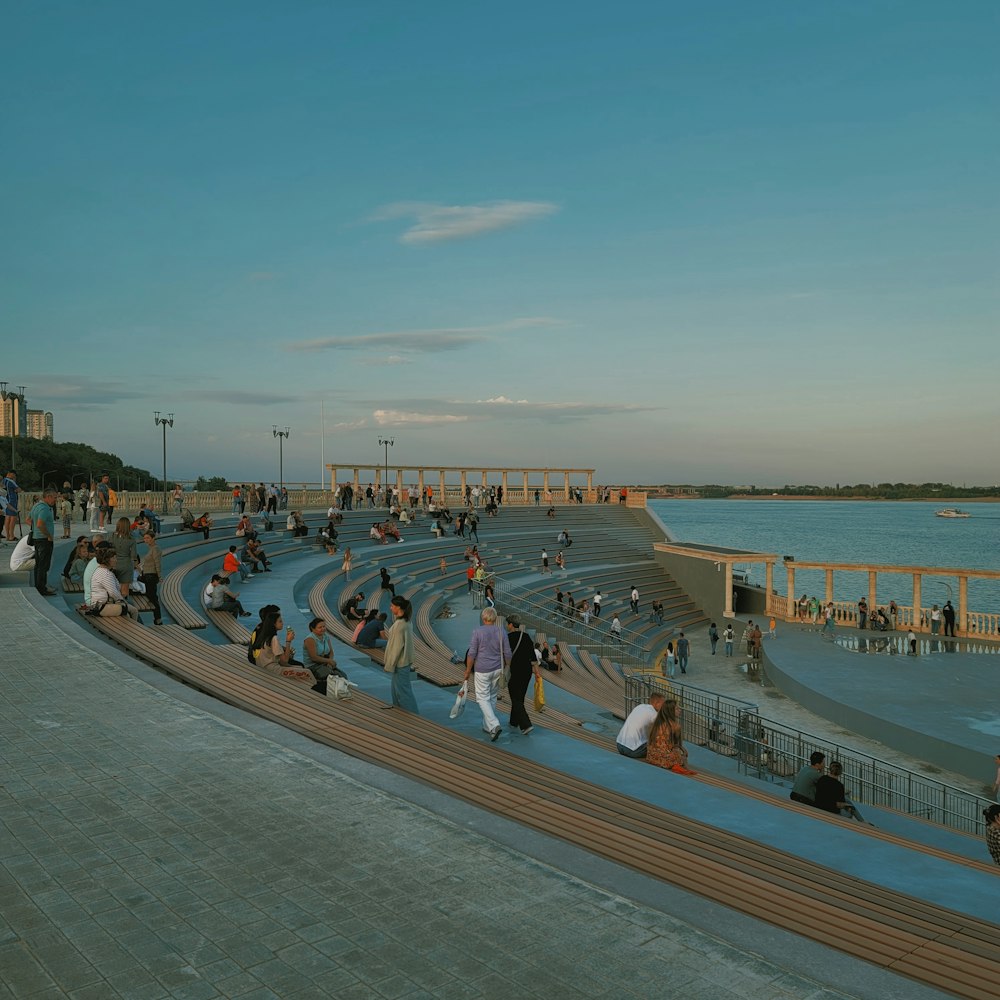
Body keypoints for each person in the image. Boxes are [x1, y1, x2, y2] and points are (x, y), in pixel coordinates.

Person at [464, 606, 512, 741]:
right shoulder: (501, 631)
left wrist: (468, 670)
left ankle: (494, 724)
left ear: (483, 618)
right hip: (498, 669)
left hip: (482, 669)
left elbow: (472, 653)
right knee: (492, 696)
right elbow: (507, 652)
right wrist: (508, 666)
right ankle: (487, 726)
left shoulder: (477, 631)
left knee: (482, 698)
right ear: (495, 618)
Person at [505, 615, 539, 735]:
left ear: (510, 624)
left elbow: (505, 656)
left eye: (507, 624)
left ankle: (526, 725)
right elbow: (532, 655)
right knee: (520, 696)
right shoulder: (526, 636)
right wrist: (537, 671)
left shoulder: (507, 638)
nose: (506, 626)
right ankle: (513, 722)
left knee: (515, 697)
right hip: (527, 671)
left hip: (516, 670)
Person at [383, 595, 417, 712]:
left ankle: (413, 717)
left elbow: (396, 648)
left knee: (403, 692)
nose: (390, 608)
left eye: (392, 606)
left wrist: (389, 665)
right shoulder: (406, 621)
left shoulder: (399, 625)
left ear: (398, 607)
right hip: (403, 662)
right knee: (396, 690)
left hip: (400, 663)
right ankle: (399, 713)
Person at [251, 610, 307, 676]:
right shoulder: (274, 638)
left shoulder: (264, 635)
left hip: (262, 667)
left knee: (299, 667)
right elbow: (284, 661)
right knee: (306, 671)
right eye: (280, 621)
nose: (282, 623)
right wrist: (288, 641)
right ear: (273, 624)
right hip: (272, 670)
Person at [88, 548, 139, 619]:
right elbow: (113, 592)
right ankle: (135, 629)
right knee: (133, 611)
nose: (116, 560)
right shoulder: (105, 574)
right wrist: (123, 601)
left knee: (128, 609)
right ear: (107, 559)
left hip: (99, 605)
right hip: (102, 607)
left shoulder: (100, 570)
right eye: (114, 558)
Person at [302, 618, 347, 695]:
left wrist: (330, 662)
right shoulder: (310, 639)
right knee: (332, 676)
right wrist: (329, 661)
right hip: (313, 665)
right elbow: (314, 657)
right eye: (320, 627)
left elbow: (331, 652)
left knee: (343, 675)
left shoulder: (325, 636)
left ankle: (338, 693)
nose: (323, 629)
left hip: (324, 663)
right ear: (313, 629)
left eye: (324, 626)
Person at [646, 700, 692, 773]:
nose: (680, 710)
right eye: (677, 709)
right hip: (665, 760)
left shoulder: (657, 723)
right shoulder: (675, 726)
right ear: (670, 711)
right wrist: (682, 751)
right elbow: (676, 745)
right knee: (682, 755)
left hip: (651, 756)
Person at [29, 488, 59, 596]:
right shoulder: (44, 509)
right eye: (55, 498)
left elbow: (29, 520)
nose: (56, 500)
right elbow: (40, 524)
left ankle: (39, 587)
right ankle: (41, 588)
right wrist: (48, 535)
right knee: (43, 565)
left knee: (39, 564)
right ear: (48, 497)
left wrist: (36, 531)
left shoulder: (36, 506)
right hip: (44, 540)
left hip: (37, 539)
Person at [615, 693, 665, 758]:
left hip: (619, 745)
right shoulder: (654, 714)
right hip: (633, 750)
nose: (665, 707)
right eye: (663, 704)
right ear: (657, 703)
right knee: (659, 745)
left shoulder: (640, 706)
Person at [139, 532, 163, 625]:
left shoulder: (155, 549)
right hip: (147, 575)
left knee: (153, 597)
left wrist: (159, 576)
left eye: (148, 538)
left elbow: (157, 563)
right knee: (151, 596)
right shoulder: (151, 548)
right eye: (145, 538)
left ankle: (158, 618)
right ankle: (157, 618)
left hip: (151, 576)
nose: (146, 540)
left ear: (153, 538)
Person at [3, 470, 22, 542]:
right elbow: (19, 489)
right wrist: (14, 481)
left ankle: (8, 535)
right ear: (10, 474)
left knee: (7, 517)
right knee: (13, 518)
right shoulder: (11, 481)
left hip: (5, 500)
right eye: (14, 475)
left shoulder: (4, 480)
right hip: (12, 501)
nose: (14, 476)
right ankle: (12, 535)